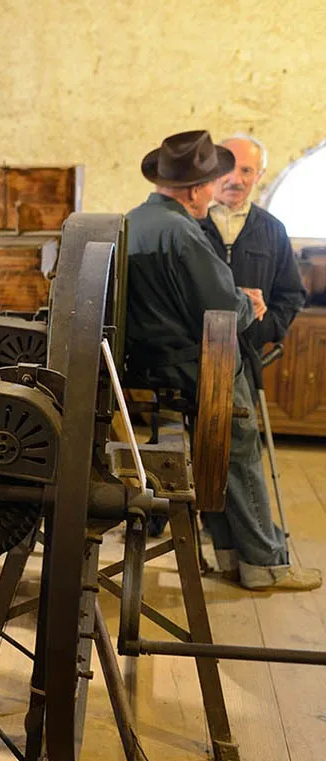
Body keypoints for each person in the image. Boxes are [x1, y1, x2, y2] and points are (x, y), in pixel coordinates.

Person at [123, 130, 320, 591]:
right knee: (242, 452)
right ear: (194, 190)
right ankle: (265, 565)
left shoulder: (136, 221)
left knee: (222, 461)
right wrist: (249, 303)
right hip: (199, 365)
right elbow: (222, 312)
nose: (217, 187)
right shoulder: (182, 231)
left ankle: (231, 555)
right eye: (211, 181)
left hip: (156, 361)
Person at [199, 135, 307, 385]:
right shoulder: (189, 224)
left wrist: (265, 327)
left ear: (259, 175)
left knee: (242, 424)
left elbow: (292, 294)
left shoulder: (273, 230)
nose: (235, 180)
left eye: (247, 170)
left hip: (247, 360)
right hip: (193, 356)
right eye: (227, 169)